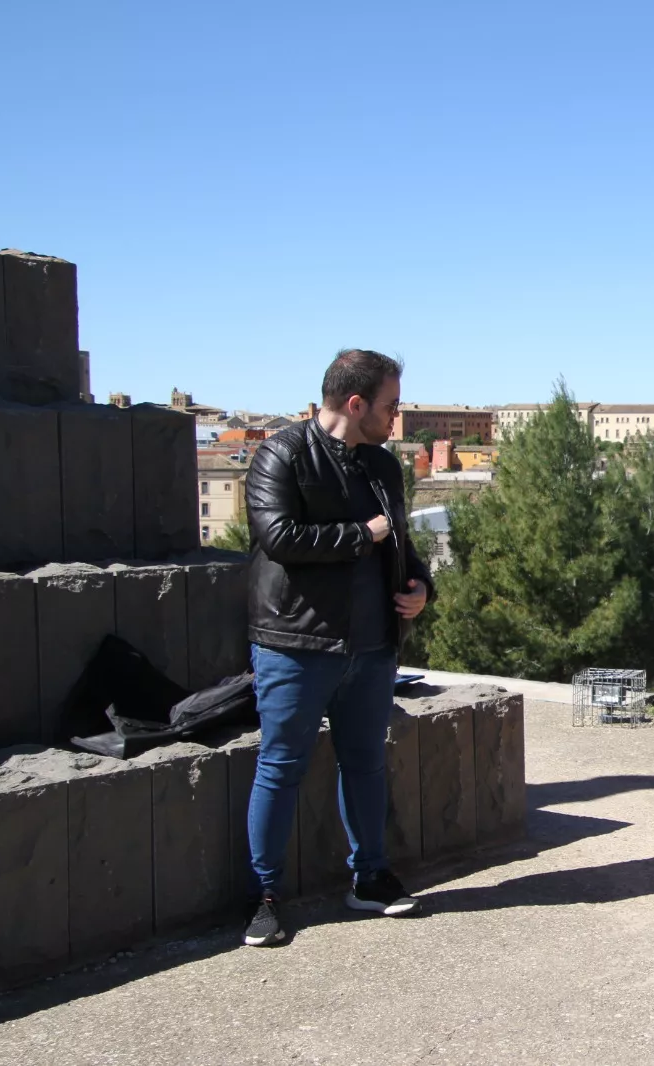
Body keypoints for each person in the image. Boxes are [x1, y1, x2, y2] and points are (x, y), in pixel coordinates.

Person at [240, 349, 435, 946]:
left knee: (367, 763)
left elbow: (397, 539)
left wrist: (423, 586)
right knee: (280, 767)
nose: (396, 417)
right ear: (356, 404)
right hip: (296, 644)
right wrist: (361, 534)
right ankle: (266, 896)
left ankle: (370, 877)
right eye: (390, 406)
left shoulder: (382, 465)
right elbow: (277, 536)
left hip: (372, 647)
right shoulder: (280, 453)